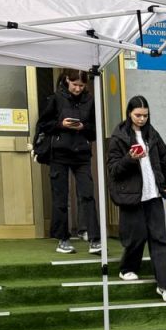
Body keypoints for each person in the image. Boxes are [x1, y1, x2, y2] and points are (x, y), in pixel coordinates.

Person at [107, 96, 166, 303]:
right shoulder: (119, 136)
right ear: (129, 113)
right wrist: (130, 158)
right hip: (132, 198)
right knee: (136, 237)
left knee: (159, 240)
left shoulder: (153, 134)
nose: (142, 119)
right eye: (138, 115)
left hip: (154, 195)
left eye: (145, 115)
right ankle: (127, 268)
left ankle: (165, 285)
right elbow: (113, 170)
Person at [34, 69, 100, 255]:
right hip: (59, 153)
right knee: (60, 197)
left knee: (87, 194)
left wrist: (83, 127)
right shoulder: (56, 98)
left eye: (81, 85)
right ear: (66, 80)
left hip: (82, 154)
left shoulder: (90, 100)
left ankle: (94, 239)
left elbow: (95, 130)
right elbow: (43, 124)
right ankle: (63, 239)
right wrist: (61, 124)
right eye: (74, 85)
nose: (78, 89)